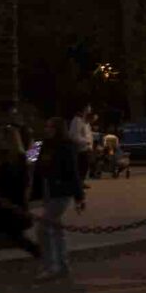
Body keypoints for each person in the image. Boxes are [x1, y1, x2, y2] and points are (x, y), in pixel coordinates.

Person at [32, 117, 85, 281]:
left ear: (58, 129)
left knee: (43, 229)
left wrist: (79, 197)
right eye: (46, 126)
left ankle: (51, 267)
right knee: (56, 229)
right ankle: (62, 265)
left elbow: (73, 173)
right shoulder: (42, 144)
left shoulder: (66, 147)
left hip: (61, 191)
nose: (47, 129)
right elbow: (29, 160)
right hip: (48, 191)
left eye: (50, 127)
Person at [0, 125, 40, 270]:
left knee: (3, 236)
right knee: (13, 236)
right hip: (11, 202)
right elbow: (31, 166)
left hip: (1, 202)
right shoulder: (21, 157)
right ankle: (40, 254)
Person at [69, 105, 94, 188]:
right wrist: (86, 142)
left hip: (86, 148)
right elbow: (75, 136)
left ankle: (81, 182)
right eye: (88, 108)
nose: (89, 110)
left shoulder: (85, 121)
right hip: (80, 148)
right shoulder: (77, 121)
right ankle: (78, 183)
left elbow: (88, 134)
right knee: (81, 166)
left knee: (85, 166)